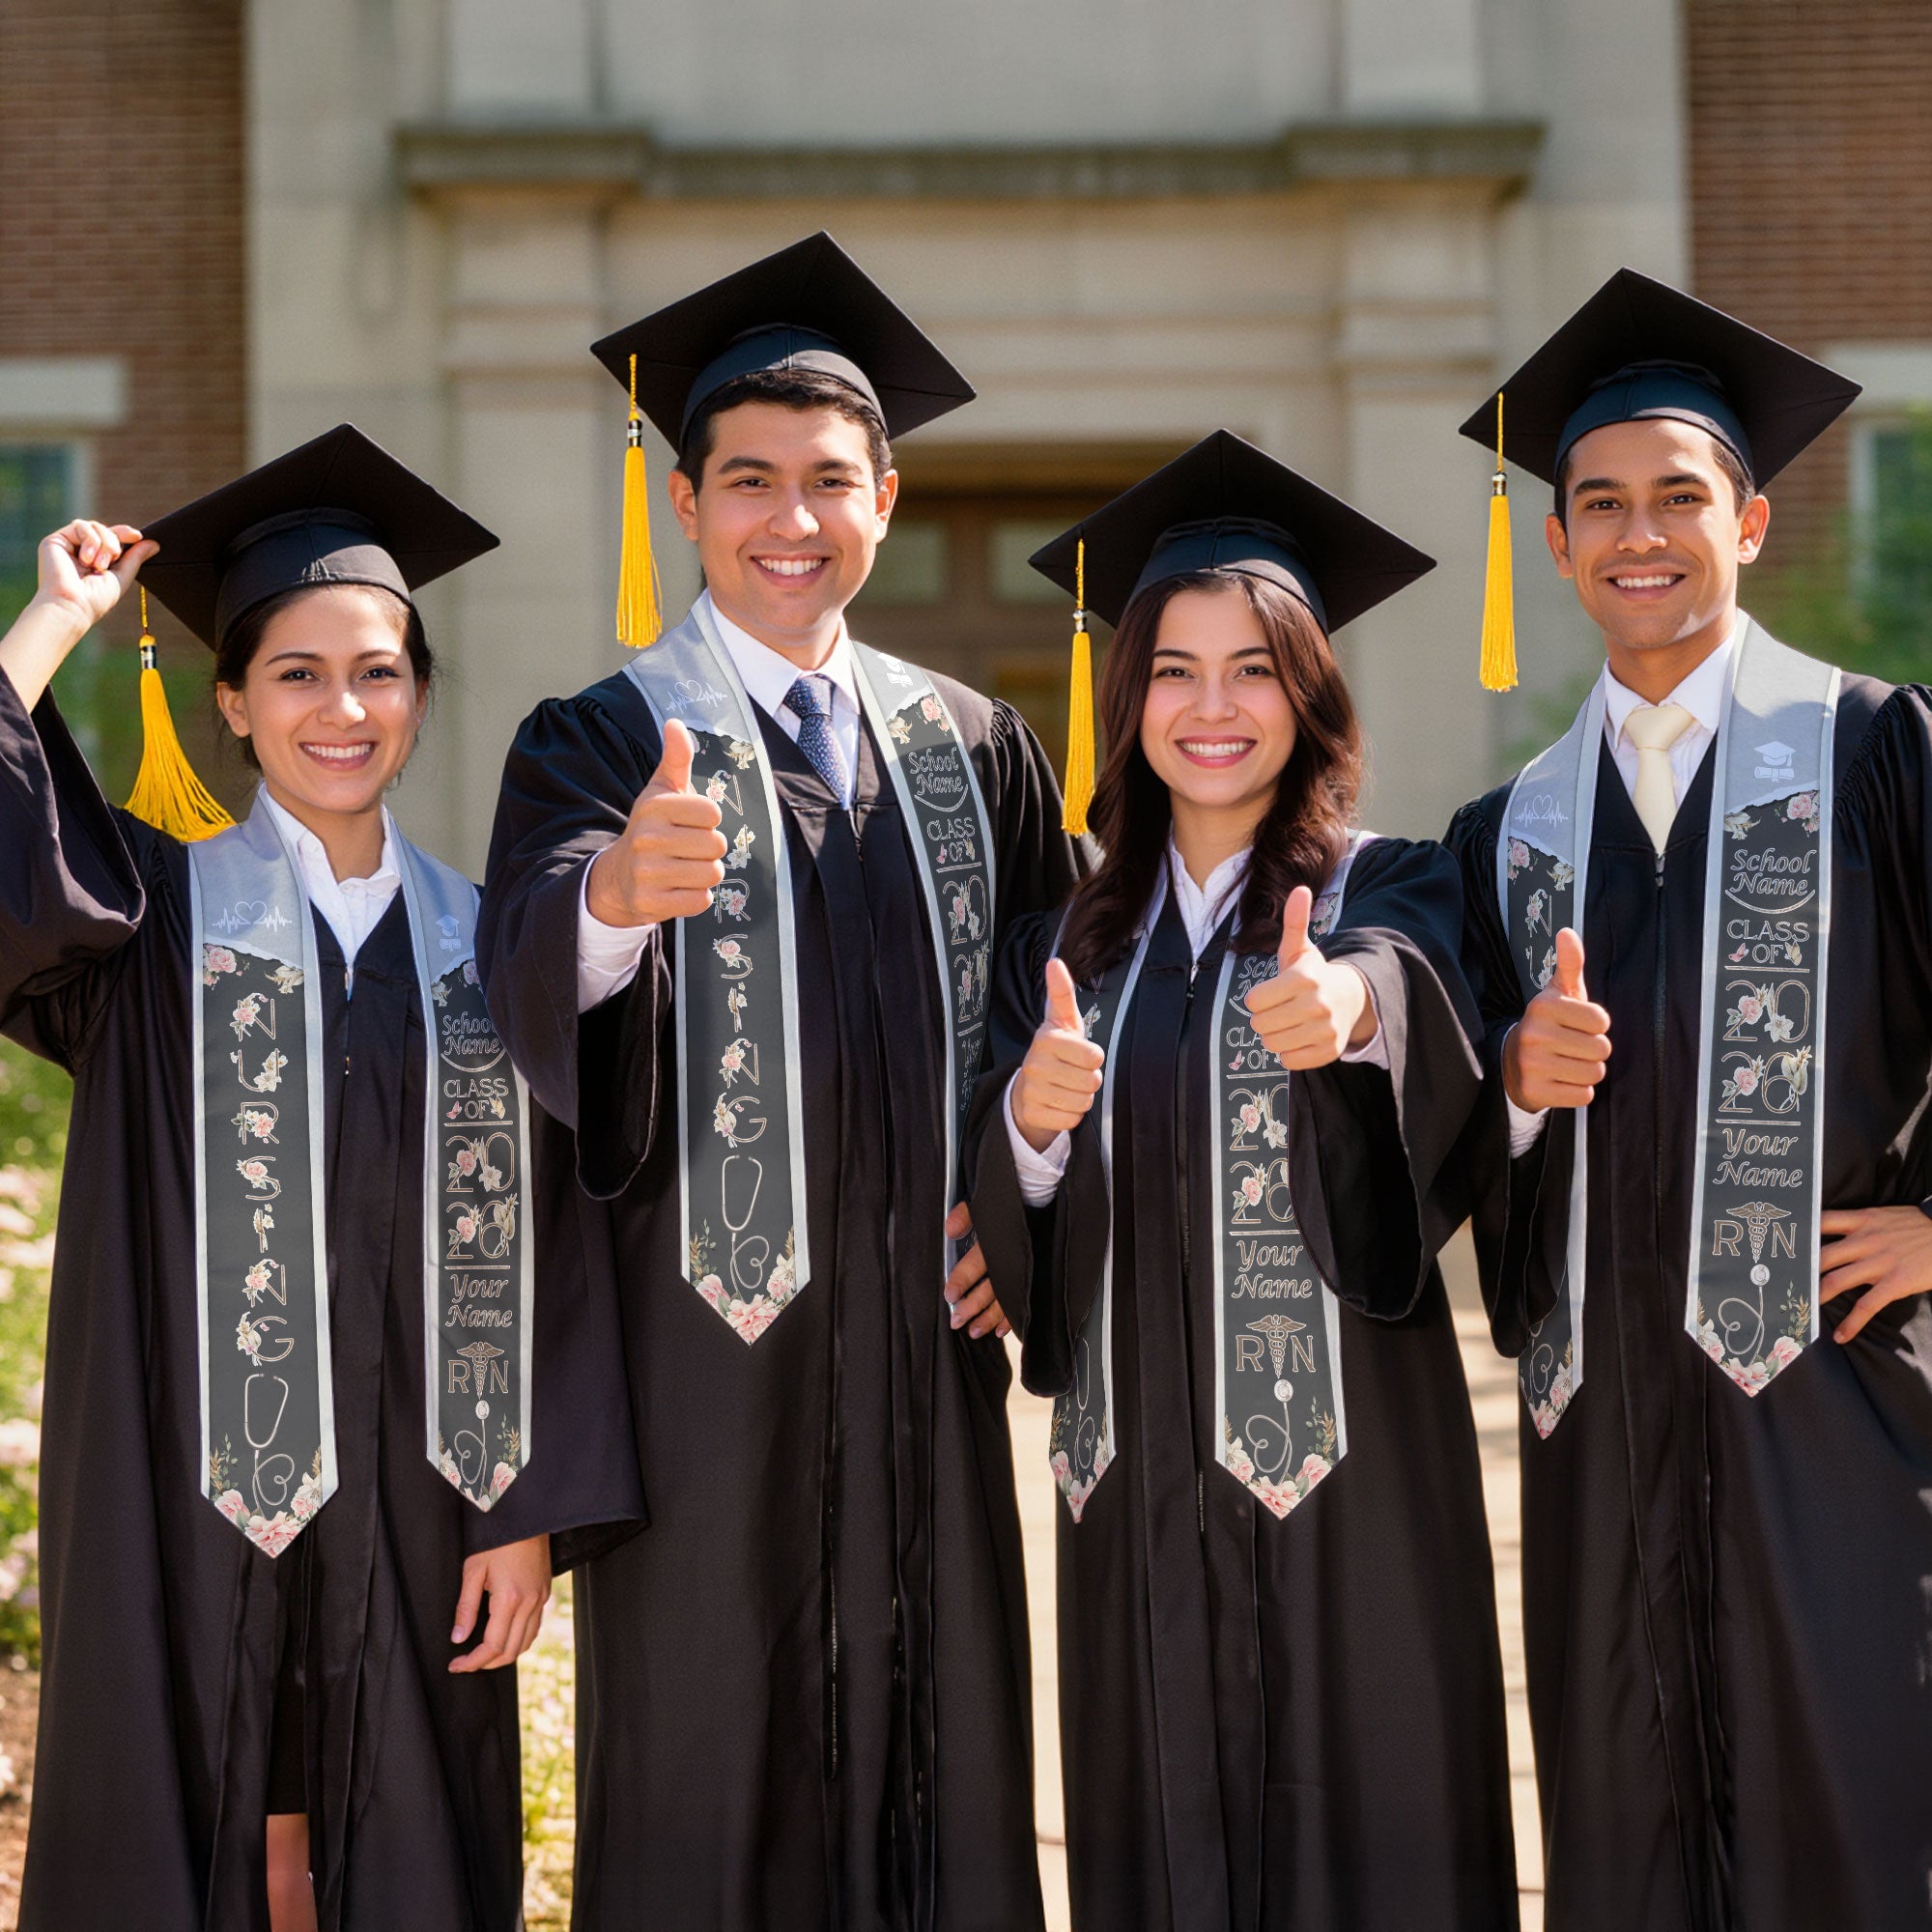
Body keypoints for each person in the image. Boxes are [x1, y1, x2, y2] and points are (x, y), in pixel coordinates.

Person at [478, 233, 1082, 1931]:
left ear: (886, 497)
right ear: (686, 504)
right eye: (749, 482)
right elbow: (522, 968)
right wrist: (609, 900)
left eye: (831, 481)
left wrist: (1025, 1206)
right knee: (708, 1784)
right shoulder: (598, 739)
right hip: (704, 1382)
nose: (790, 520)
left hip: (925, 1363)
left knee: (944, 1767)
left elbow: (1075, 1008)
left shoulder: (974, 746)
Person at [0, 425, 640, 1932]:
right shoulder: (147, 923)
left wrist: (527, 1507)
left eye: (378, 671)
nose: (340, 708)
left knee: (407, 1839)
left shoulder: (494, 947)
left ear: (419, 695)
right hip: (180, 1487)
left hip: (430, 1501)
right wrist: (51, 624)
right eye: (295, 673)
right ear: (230, 701)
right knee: (193, 1813)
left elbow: (564, 1238)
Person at [964, 432, 1518, 1931]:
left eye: (1256, 668)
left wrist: (1350, 1014)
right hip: (1131, 1483)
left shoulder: (1389, 886)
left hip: (1354, 1490)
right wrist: (1025, 1122)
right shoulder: (1063, 946)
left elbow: (1417, 995)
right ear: (1127, 696)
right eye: (1175, 670)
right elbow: (1013, 1215)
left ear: (1311, 693)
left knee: (1375, 1843)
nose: (1214, 709)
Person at [1446, 270, 1932, 1931]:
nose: (1637, 534)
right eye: (1599, 504)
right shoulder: (1508, 832)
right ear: (1561, 542)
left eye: (1678, 497)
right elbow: (1442, 1141)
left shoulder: (1876, 753)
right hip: (1603, 1441)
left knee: (1854, 1817)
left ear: (1753, 519)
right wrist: (1510, 1088)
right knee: (1625, 1834)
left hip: (1838, 1410)